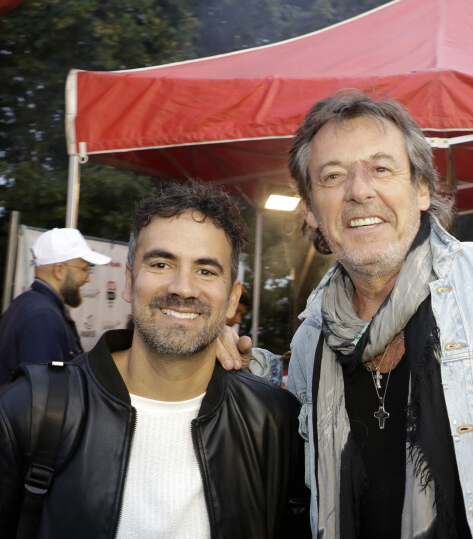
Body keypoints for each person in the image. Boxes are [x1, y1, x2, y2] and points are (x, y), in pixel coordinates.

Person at [284, 89, 473, 538]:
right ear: (310, 209)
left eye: (381, 169)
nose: (359, 191)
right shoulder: (310, 342)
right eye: (332, 176)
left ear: (421, 189)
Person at [0, 180, 309, 539]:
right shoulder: (29, 410)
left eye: (206, 270)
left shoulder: (275, 421)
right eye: (161, 263)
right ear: (130, 282)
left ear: (231, 299)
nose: (182, 287)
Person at [0, 227, 111, 384]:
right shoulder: (43, 316)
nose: (87, 279)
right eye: (84, 269)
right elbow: (44, 396)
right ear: (59, 270)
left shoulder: (28, 304)